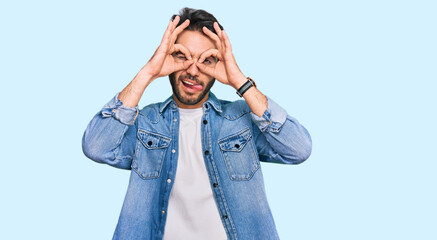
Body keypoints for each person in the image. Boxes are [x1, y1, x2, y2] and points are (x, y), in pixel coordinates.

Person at [82, 7, 312, 240]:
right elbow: (96, 146)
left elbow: (298, 149)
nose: (193, 71)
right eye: (182, 56)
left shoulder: (241, 119)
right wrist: (148, 73)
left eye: (206, 60)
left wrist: (239, 81)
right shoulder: (146, 124)